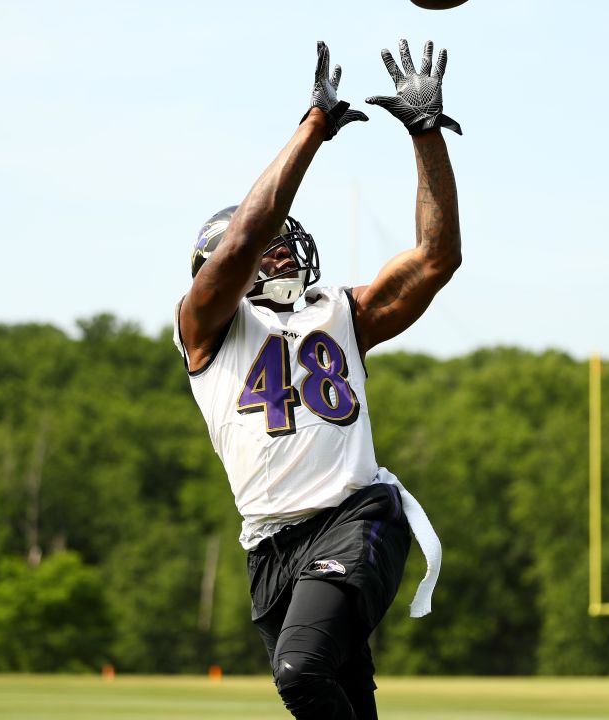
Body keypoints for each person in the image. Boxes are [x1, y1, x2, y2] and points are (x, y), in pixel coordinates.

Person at [172, 39, 462, 719]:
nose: (285, 251)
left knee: (300, 673)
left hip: (355, 516)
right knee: (344, 700)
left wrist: (426, 135)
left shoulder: (341, 312)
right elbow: (246, 237)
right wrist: (312, 128)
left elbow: (435, 259)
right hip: (270, 545)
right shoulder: (205, 324)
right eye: (272, 245)